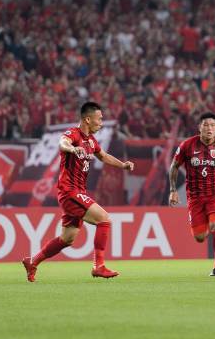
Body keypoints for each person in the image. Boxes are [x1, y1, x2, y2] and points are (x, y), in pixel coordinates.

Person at [22, 102, 134, 282]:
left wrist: (123, 165)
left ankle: (33, 261)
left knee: (67, 238)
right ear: (87, 119)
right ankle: (99, 266)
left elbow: (103, 156)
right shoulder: (73, 134)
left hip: (77, 192)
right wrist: (73, 148)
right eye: (99, 119)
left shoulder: (91, 141)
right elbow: (62, 143)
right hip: (69, 191)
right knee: (104, 219)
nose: (101, 123)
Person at [168, 112, 215, 276]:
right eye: (206, 125)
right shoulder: (187, 145)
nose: (209, 128)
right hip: (194, 197)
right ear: (199, 127)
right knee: (200, 237)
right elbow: (174, 167)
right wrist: (173, 190)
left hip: (214, 194)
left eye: (212, 125)